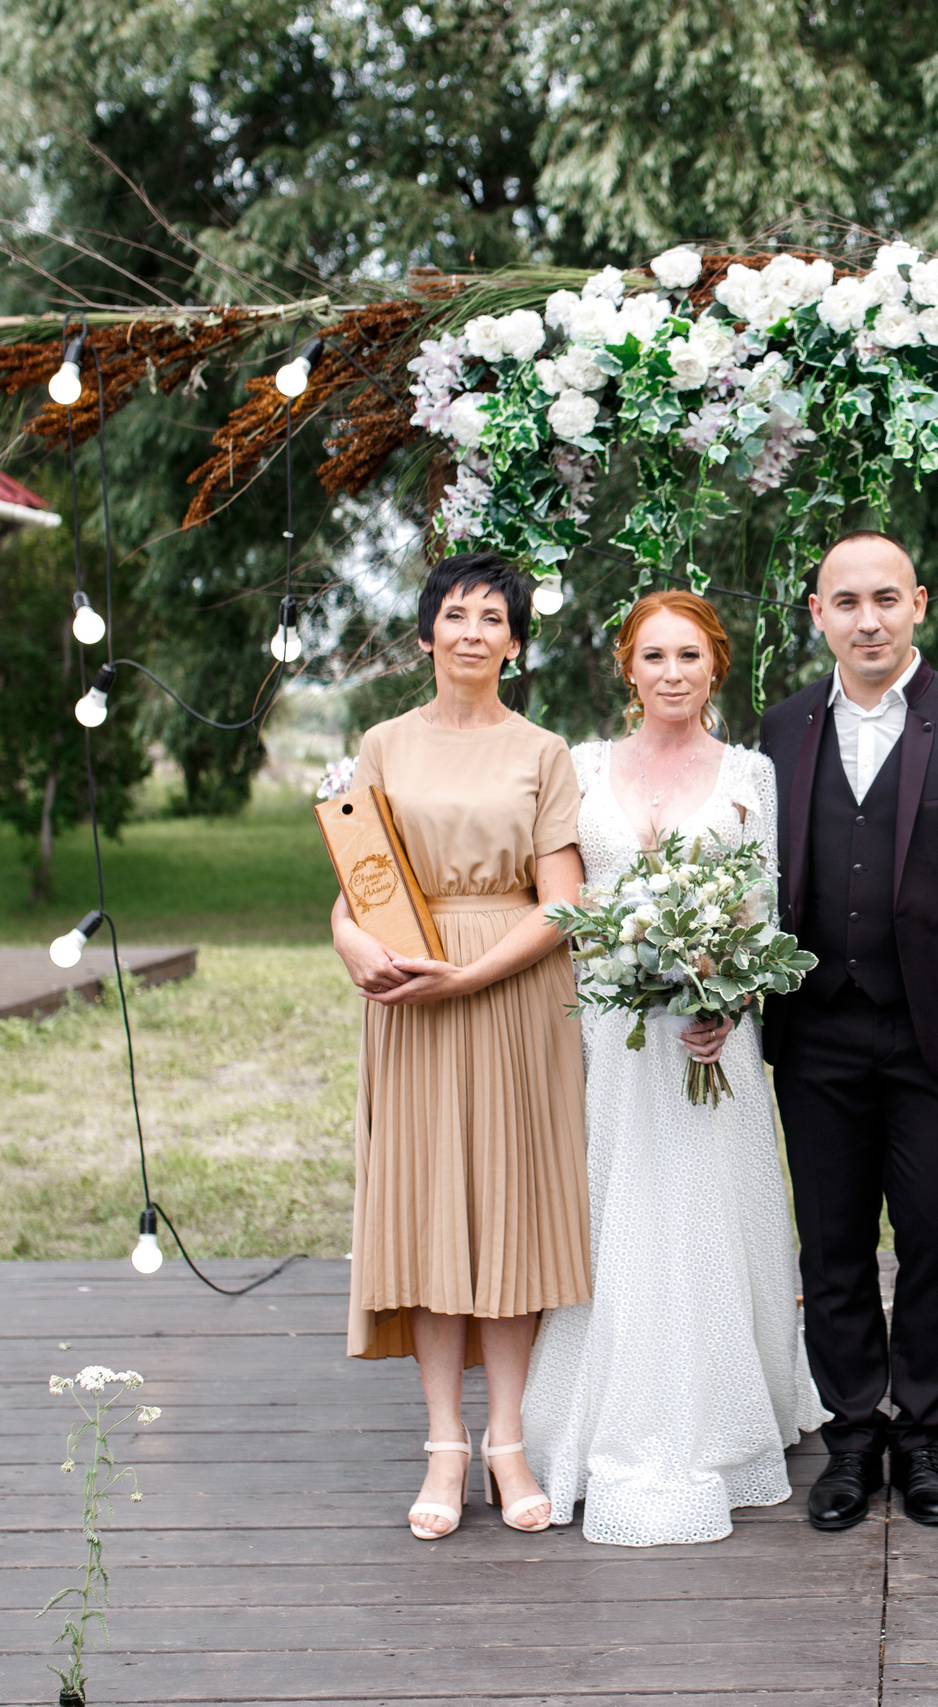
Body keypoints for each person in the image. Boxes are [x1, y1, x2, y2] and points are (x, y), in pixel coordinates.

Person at [520, 590, 826, 1545]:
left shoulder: (752, 773)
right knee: (617, 1200)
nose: (671, 673)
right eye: (653, 656)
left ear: (715, 666)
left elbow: (760, 909)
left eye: (689, 656)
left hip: (708, 1032)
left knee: (705, 1205)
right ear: (627, 666)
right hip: (609, 1032)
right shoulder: (579, 767)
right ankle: (604, 1403)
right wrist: (628, 963)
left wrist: (726, 997)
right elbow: (564, 899)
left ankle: (725, 1406)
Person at [757, 530, 938, 1532]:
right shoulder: (778, 729)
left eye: (885, 598)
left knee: (933, 1238)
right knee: (830, 1243)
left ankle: (918, 1433)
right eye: (846, 602)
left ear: (918, 603)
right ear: (818, 615)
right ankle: (849, 1435)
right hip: (816, 1035)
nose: (867, 619)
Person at [335, 552, 588, 1539]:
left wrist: (471, 978)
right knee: (435, 1212)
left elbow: (563, 904)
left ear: (515, 641)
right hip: (407, 990)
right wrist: (354, 943)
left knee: (510, 1213)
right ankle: (444, 1443)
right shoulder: (382, 744)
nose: (473, 630)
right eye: (455, 613)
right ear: (428, 633)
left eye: (494, 617)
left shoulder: (543, 752)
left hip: (513, 991)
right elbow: (356, 888)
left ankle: (506, 1440)